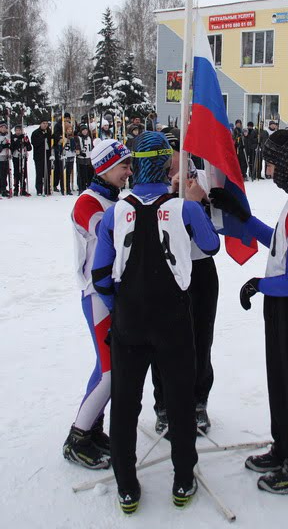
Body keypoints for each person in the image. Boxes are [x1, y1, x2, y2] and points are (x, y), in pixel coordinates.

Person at [91, 131, 220, 514]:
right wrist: (193, 205)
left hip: (130, 318)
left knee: (125, 404)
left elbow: (100, 275)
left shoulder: (115, 212)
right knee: (180, 400)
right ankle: (183, 478)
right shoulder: (184, 208)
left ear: (135, 166)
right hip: (173, 318)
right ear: (166, 165)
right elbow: (211, 245)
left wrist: (119, 306)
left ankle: (126, 485)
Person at [210, 129, 288, 494]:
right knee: (280, 379)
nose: (268, 171)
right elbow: (279, 243)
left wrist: (258, 284)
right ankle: (284, 448)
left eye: (271, 164)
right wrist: (242, 217)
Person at [63, 138, 132, 470]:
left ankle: (91, 428)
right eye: (124, 166)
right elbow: (110, 234)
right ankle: (77, 439)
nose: (129, 172)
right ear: (105, 168)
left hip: (110, 293)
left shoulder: (113, 199)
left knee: (106, 367)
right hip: (97, 296)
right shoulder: (87, 202)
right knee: (111, 371)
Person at [152, 132, 220, 437]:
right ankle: (164, 405)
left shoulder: (203, 178)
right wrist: (172, 194)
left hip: (200, 266)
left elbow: (221, 225)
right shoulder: (153, 180)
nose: (170, 157)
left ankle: (197, 401)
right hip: (165, 268)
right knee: (164, 340)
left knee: (201, 338)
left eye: (174, 150)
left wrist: (202, 200)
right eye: (164, 151)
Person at [31, 117, 52, 196]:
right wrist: (43, 138)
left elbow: (52, 141)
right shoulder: (36, 133)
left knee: (47, 172)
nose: (45, 125)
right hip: (39, 155)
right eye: (43, 123)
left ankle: (47, 189)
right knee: (39, 173)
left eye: (46, 123)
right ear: (40, 124)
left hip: (48, 154)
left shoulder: (49, 132)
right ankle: (39, 189)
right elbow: (34, 143)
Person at [11, 124, 32, 196]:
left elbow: (29, 148)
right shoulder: (13, 137)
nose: (18, 132)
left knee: (23, 172)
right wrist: (16, 144)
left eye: (19, 130)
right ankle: (16, 189)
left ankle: (23, 189)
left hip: (23, 157)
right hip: (16, 156)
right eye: (16, 130)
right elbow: (11, 147)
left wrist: (26, 142)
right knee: (16, 173)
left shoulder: (24, 136)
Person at [76, 124, 93, 194]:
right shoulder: (78, 138)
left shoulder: (89, 137)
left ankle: (89, 187)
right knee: (81, 175)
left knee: (89, 174)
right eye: (83, 130)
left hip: (88, 158)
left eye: (86, 130)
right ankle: (81, 188)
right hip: (81, 159)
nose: (85, 132)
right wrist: (80, 153)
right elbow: (77, 147)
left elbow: (91, 146)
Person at [0, 120, 11, 197]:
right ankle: (2, 188)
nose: (3, 129)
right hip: (0, 157)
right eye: (2, 127)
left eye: (5, 127)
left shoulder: (8, 135)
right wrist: (4, 146)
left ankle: (4, 188)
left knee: (5, 174)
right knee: (1, 174)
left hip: (6, 157)